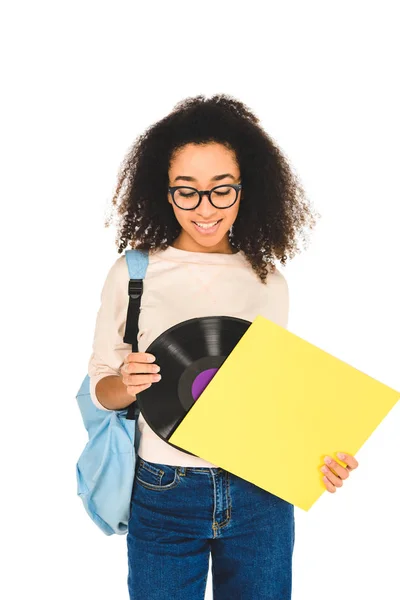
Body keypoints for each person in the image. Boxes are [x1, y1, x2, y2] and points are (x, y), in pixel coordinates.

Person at [87, 94, 359, 599]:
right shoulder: (134, 273)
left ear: (245, 189)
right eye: (186, 192)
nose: (205, 210)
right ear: (164, 193)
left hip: (262, 496)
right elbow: (100, 389)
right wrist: (124, 384)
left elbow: (274, 400)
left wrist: (321, 456)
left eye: (221, 191)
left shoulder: (268, 282)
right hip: (163, 491)